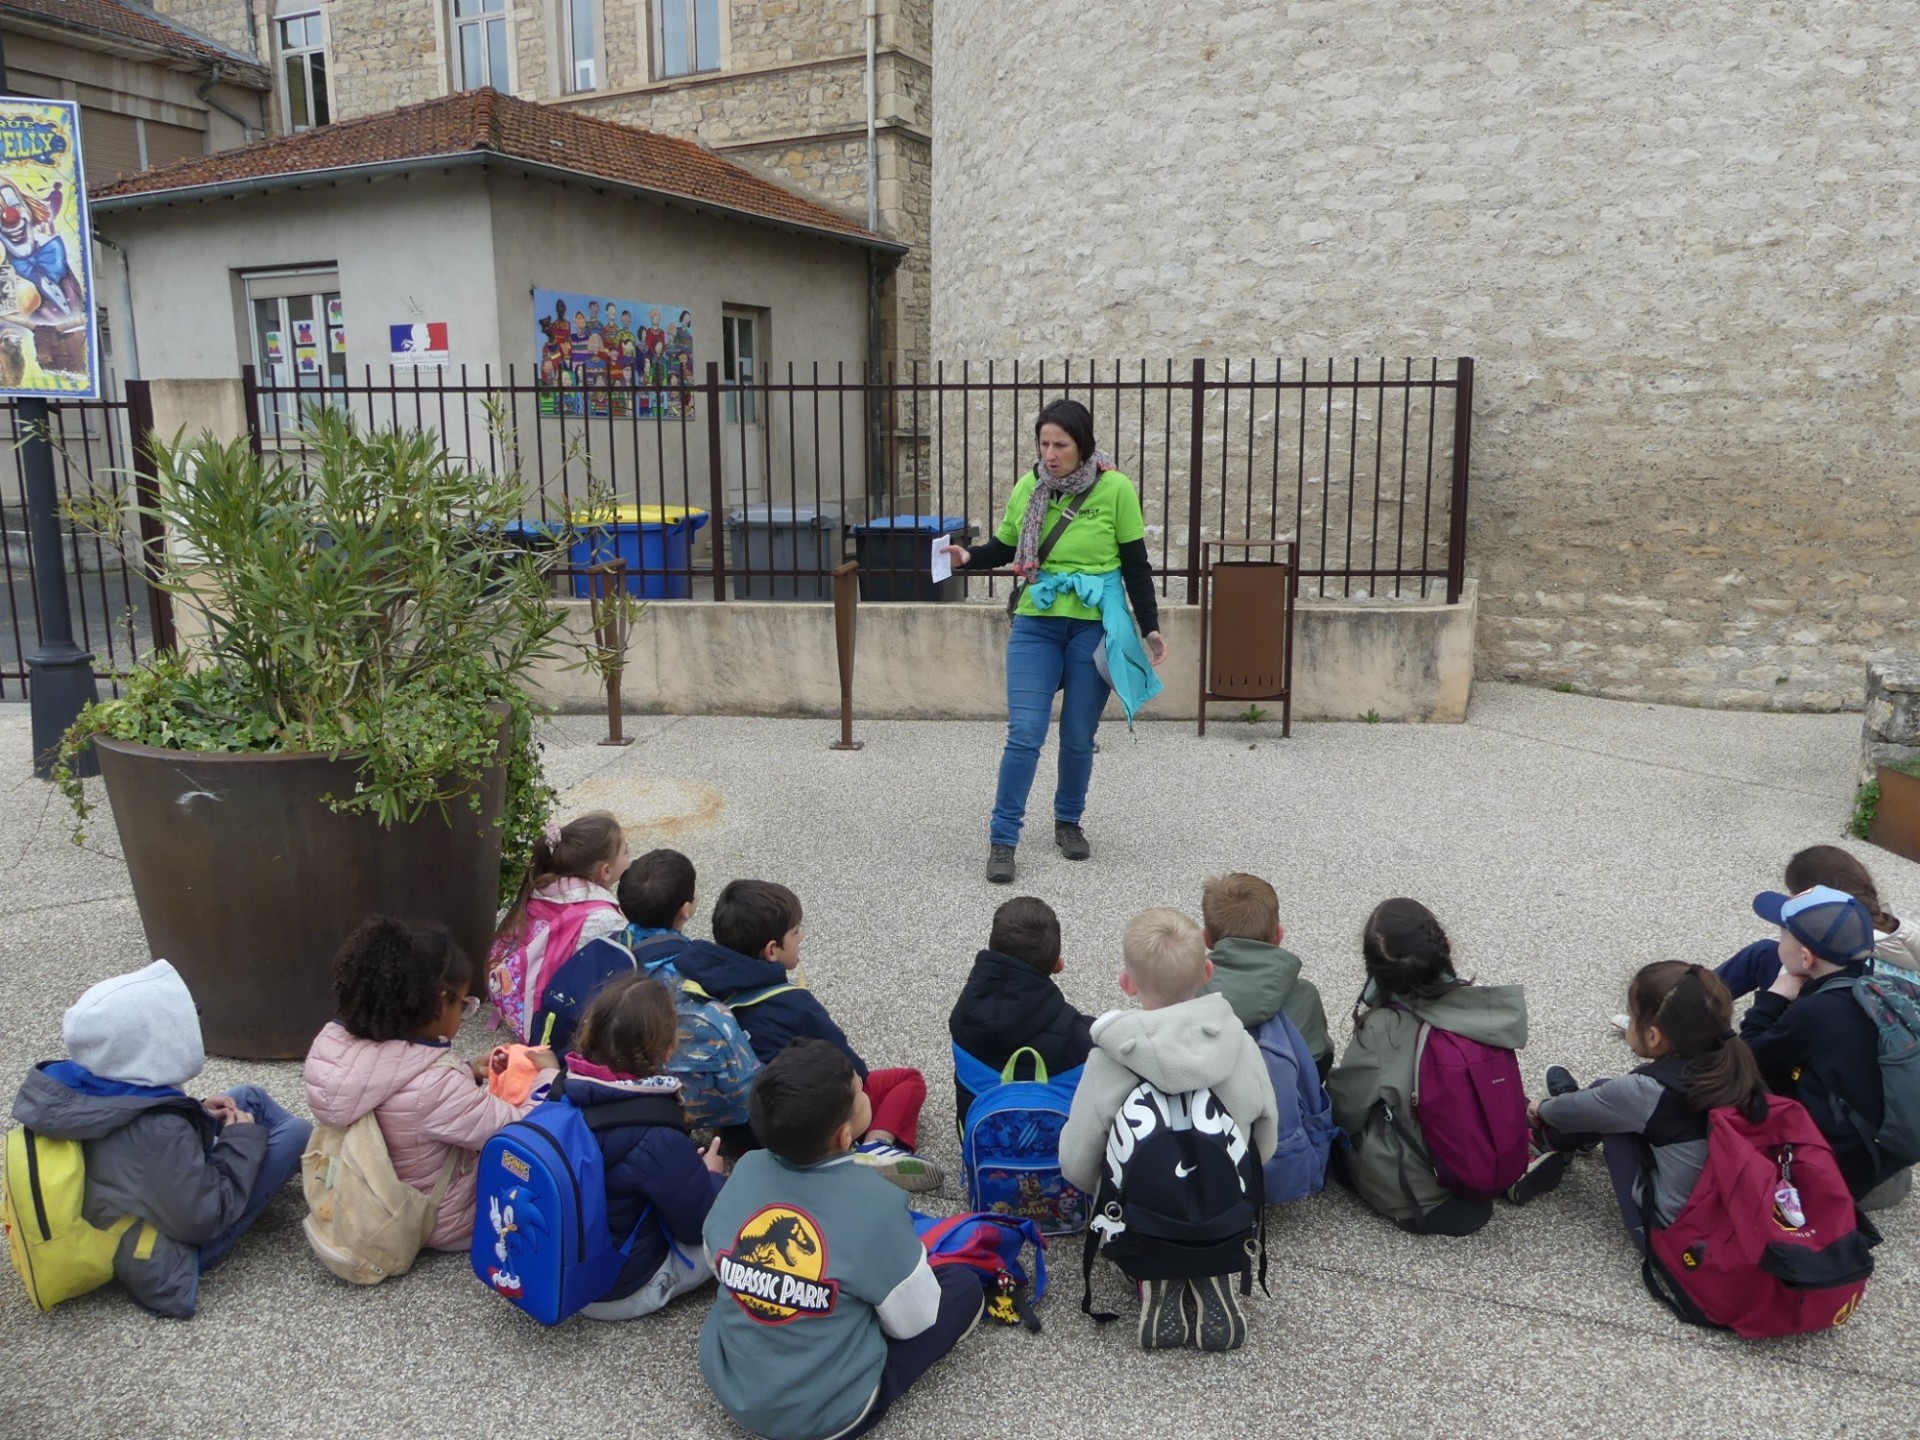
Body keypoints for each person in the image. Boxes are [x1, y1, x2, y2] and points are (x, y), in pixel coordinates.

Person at [700, 1040, 983, 1440]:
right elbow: (915, 1321)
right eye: (860, 1091)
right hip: (828, 1415)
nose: (866, 1091)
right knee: (964, 1288)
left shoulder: (745, 1170)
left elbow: (715, 1260)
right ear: (845, 1134)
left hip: (734, 1389)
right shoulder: (876, 1203)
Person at [942, 398, 1166, 884]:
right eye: (1044, 443)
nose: (1050, 454)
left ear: (1082, 445)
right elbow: (1004, 547)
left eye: (1060, 444)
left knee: (1079, 735)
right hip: (1036, 623)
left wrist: (1149, 625)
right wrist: (968, 557)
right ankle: (1003, 840)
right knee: (1025, 732)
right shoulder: (1030, 486)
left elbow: (1136, 564)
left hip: (1093, 626)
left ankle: (1068, 822)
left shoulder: (1116, 488)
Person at [9, 960, 310, 1318]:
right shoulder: (159, 1131)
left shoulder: (92, 1084)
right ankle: (329, 1182)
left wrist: (197, 1111)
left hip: (139, 1204)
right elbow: (205, 1218)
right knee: (296, 1133)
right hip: (168, 1254)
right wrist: (240, 1140)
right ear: (151, 1048)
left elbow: (136, 1138)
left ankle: (318, 1171)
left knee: (248, 1097)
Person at [1058, 908, 1278, 1350]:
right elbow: (1266, 1140)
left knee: (1118, 1179)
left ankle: (1152, 1275)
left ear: (1128, 983)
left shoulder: (1109, 1059)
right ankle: (1212, 1264)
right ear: (1208, 972)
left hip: (1142, 1218)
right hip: (1224, 1210)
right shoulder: (1240, 1045)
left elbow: (1076, 1163)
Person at [673, 879, 945, 1190]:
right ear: (772, 950)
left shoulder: (696, 984)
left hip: (743, 1128)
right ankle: (875, 1146)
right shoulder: (793, 1003)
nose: (801, 937)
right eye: (795, 933)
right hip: (809, 1126)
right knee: (907, 1080)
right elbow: (853, 1069)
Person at [305, 916, 554, 1250]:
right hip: (440, 1220)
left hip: (369, 1199)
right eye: (463, 1005)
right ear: (439, 1003)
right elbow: (519, 1131)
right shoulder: (435, 1086)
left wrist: (467, 1071)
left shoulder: (333, 1048)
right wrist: (549, 1078)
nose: (463, 1014)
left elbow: (399, 1088)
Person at [1325, 898, 1564, 1236]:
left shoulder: (1382, 1028)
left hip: (1420, 1201)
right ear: (1445, 947)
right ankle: (1514, 1160)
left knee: (1339, 1139)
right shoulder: (1482, 1009)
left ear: (1372, 967)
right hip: (1478, 1166)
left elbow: (1346, 1109)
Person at [1534, 962, 1770, 1256]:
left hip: (1679, 1245)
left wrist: (1540, 1108)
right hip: (1737, 1226)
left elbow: (1565, 1111)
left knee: (1611, 1111)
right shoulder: (1736, 1064)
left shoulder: (1647, 1091)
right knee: (1615, 1100)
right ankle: (1572, 1132)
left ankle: (1549, 1138)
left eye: (1632, 1017)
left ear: (1653, 1036)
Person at [562, 973, 729, 1321]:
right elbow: (698, 1225)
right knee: (735, 1220)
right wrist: (711, 1176)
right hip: (618, 1291)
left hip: (562, 1275)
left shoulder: (563, 1091)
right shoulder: (655, 1134)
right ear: (666, 1049)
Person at [1738, 885, 1908, 1202]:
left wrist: (1771, 999)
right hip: (1884, 1148)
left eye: (1782, 937)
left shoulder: (1815, 1011)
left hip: (1836, 1170)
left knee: (1732, 1086)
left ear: (1805, 958)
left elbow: (1747, 1061)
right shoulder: (1882, 986)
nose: (1777, 943)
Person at [947, 895, 1094, 1129]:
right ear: (1057, 965)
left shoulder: (962, 1015)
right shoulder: (1072, 1034)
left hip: (978, 1139)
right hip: (1048, 1147)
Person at [1708, 846, 1920, 1006]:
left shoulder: (1844, 947)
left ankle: (1694, 1010)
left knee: (1766, 955)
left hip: (1832, 1017)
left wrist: (1772, 1000)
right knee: (1764, 953)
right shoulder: (1898, 928)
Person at [488, 811, 630, 1042]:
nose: (629, 857)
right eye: (626, 851)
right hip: (546, 1018)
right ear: (605, 871)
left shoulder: (544, 885)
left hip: (514, 998)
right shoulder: (603, 917)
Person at [1200, 871, 1332, 1076]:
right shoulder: (1305, 996)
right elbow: (1320, 1063)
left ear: (1207, 939)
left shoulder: (1186, 996)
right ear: (1278, 935)